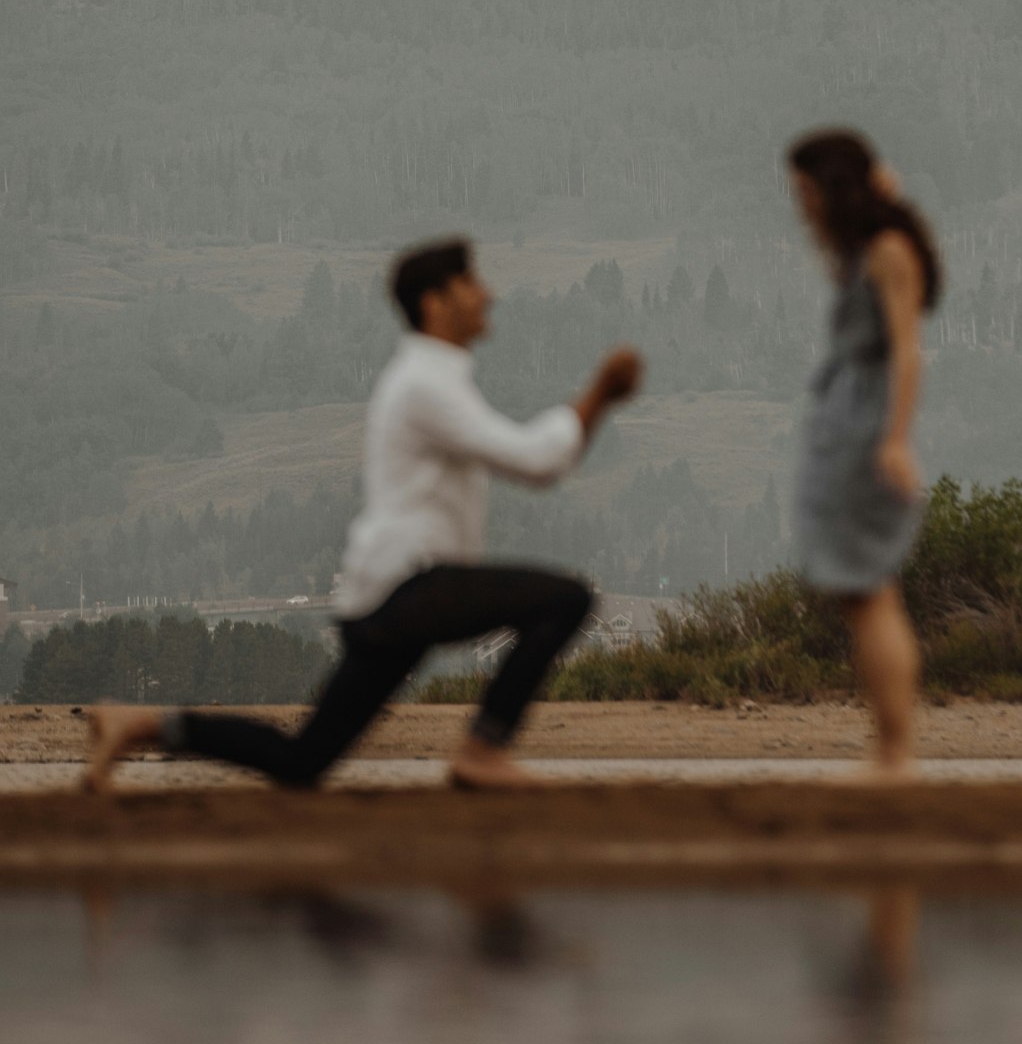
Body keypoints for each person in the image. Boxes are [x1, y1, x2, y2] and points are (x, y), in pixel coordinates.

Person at [84, 237, 641, 792]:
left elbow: (539, 462)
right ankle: (483, 749)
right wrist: (601, 392)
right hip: (411, 588)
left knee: (303, 761)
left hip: (383, 601)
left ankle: (139, 724)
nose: (487, 296)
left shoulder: (433, 377)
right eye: (471, 285)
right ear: (435, 303)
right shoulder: (426, 383)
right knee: (568, 599)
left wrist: (597, 402)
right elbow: (537, 461)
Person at [788, 128, 939, 776]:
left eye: (807, 191)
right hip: (843, 424)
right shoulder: (859, 250)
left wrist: (895, 440)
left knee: (871, 590)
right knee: (861, 593)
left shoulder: (885, 252)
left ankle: (894, 752)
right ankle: (888, 748)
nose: (802, 206)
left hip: (862, 431)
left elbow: (908, 350)